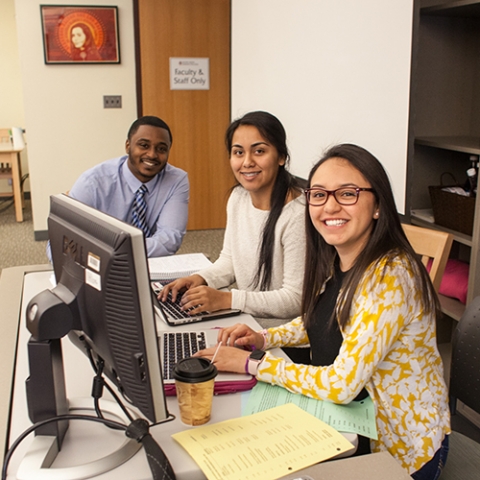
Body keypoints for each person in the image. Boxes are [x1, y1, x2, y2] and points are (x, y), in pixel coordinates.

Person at [196, 144, 451, 479]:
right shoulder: (339, 256)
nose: (330, 205)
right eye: (318, 194)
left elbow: (341, 384)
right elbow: (315, 320)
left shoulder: (390, 275)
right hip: (352, 418)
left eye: (348, 193)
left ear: (378, 206)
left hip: (400, 449)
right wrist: (262, 337)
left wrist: (251, 364)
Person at [160, 111, 306, 328]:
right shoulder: (238, 197)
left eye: (259, 151)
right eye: (238, 152)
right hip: (247, 324)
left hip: (286, 339)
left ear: (281, 157)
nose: (247, 162)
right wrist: (199, 278)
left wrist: (228, 299)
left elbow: (295, 299)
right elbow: (230, 260)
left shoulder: (298, 214)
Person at [67, 115, 189, 257]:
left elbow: (169, 239)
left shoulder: (176, 180)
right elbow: (63, 241)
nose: (152, 154)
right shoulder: (93, 182)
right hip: (100, 266)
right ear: (128, 146)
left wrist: (108, 250)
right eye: (144, 145)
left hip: (151, 265)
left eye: (161, 149)